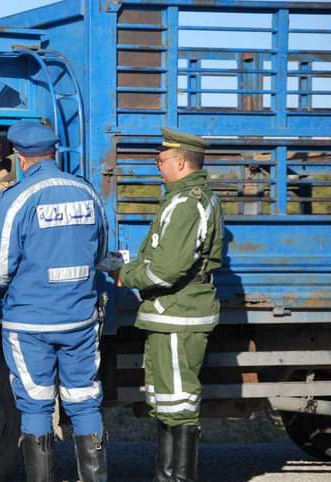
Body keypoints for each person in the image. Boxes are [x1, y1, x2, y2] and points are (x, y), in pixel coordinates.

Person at [0, 120, 108, 482]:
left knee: (35, 404)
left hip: (30, 323)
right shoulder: (87, 192)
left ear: (20, 158)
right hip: (80, 318)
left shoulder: (16, 198)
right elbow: (101, 252)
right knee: (84, 402)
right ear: (54, 152)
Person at [114, 128, 223, 482]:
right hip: (172, 314)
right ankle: (166, 476)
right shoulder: (185, 198)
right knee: (166, 402)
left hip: (179, 313)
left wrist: (126, 276)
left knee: (179, 404)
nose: (156, 166)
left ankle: (177, 478)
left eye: (160, 160)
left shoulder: (187, 203)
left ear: (180, 162)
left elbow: (166, 268)